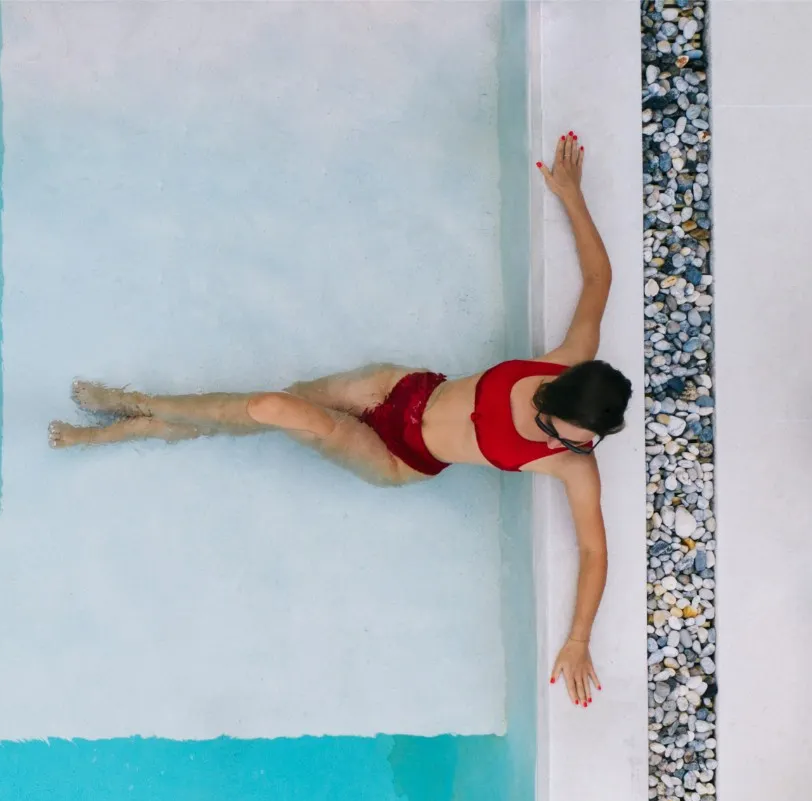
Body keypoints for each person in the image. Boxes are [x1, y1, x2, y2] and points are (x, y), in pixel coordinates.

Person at [50, 133, 626, 707]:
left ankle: (134, 409)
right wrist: (571, 195)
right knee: (267, 405)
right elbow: (599, 280)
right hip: (402, 388)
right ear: (555, 393)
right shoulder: (564, 359)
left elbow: (595, 552)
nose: (581, 447)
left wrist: (578, 641)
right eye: (566, 431)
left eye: (590, 441)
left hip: (401, 457)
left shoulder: (572, 465)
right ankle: (132, 419)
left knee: (269, 409)